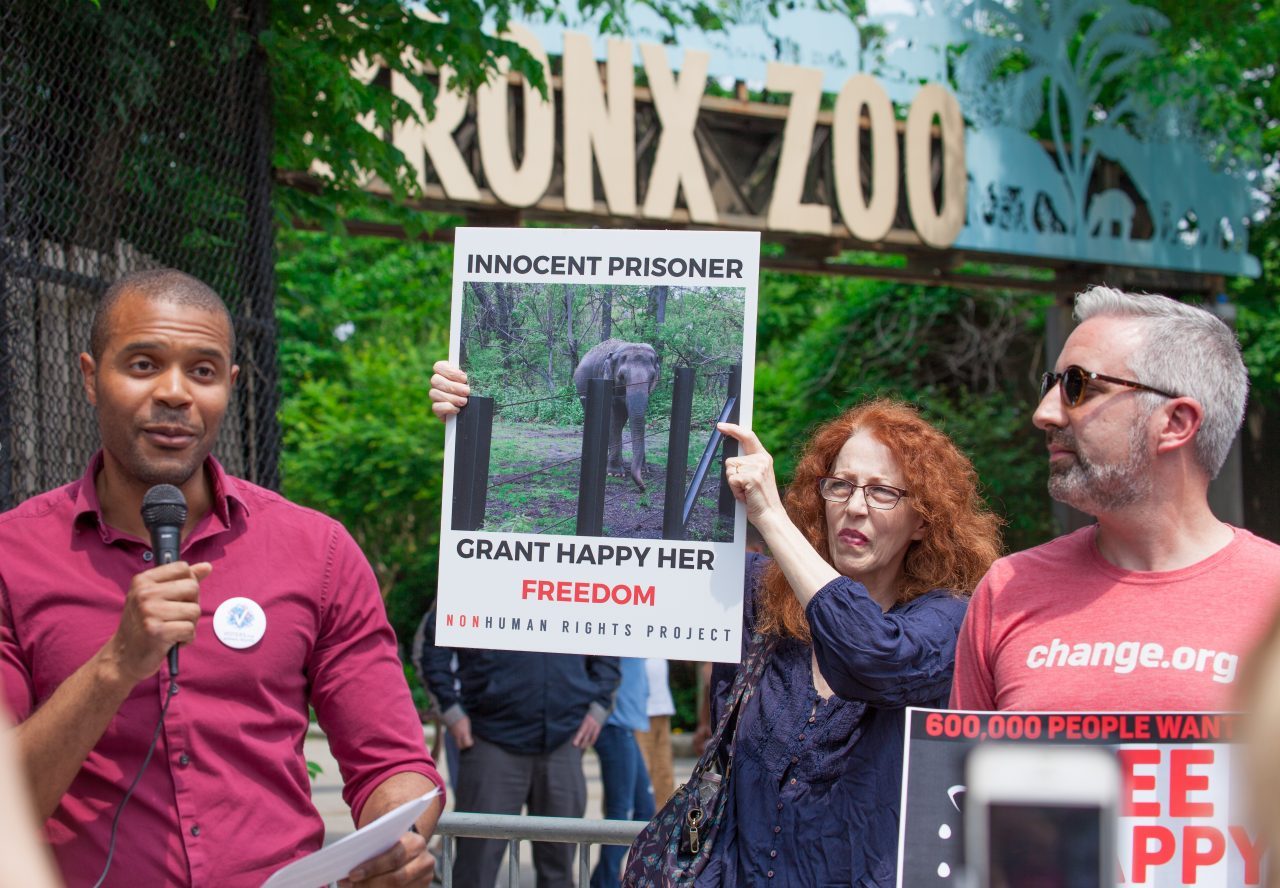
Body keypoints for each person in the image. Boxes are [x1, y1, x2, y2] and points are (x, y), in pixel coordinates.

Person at [0, 270, 444, 886]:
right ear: (90, 378)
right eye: (143, 365)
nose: (175, 393)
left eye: (203, 371)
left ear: (230, 386)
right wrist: (115, 665)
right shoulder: (13, 557)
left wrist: (396, 844)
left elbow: (392, 762)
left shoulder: (317, 552)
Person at [703, 401, 1001, 886]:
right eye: (840, 485)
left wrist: (771, 517)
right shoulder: (762, 598)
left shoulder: (950, 620)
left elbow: (872, 657)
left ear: (923, 521)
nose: (855, 507)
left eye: (883, 492)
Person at [950, 286, 1280, 712]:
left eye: (1078, 385)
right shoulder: (1007, 588)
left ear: (1176, 423)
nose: (1044, 414)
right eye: (1051, 384)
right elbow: (959, 757)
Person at [591, 657, 655, 888]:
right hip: (613, 724)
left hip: (625, 725)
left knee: (643, 809)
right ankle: (605, 881)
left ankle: (602, 879)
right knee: (621, 811)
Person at [635, 658, 676, 804]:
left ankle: (664, 815)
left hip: (661, 707)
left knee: (664, 774)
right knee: (639, 773)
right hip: (638, 709)